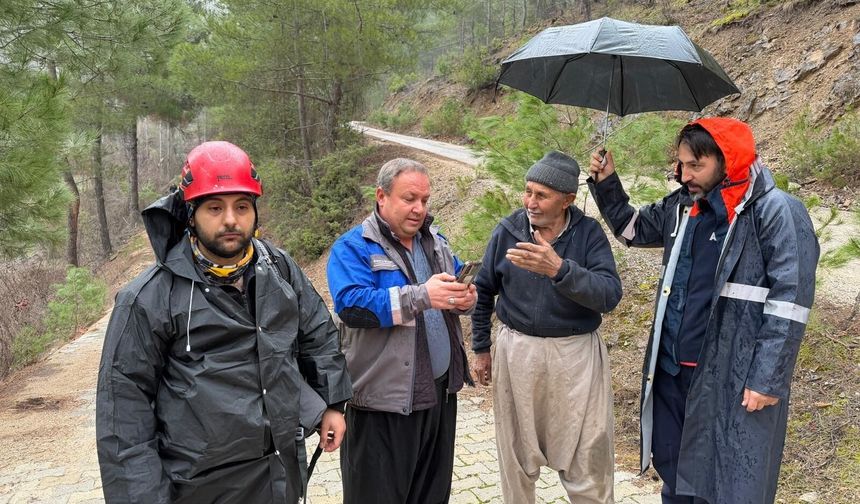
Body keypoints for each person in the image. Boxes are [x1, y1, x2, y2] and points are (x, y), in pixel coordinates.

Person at [96, 141, 352, 503]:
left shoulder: (277, 269)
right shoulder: (149, 298)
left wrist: (331, 403)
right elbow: (123, 417)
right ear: (191, 213)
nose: (231, 219)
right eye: (215, 207)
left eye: (242, 206)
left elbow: (318, 335)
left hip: (280, 472)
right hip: (200, 486)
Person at [587, 118, 819, 504]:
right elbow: (632, 229)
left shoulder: (775, 211)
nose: (685, 174)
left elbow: (790, 302)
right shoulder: (682, 207)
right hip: (674, 371)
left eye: (697, 165)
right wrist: (607, 182)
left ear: (727, 161)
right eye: (681, 164)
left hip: (731, 376)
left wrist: (768, 377)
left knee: (729, 480)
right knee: (677, 475)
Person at [470, 151, 623, 504]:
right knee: (516, 457)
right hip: (517, 352)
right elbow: (483, 290)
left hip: (576, 358)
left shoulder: (588, 235)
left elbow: (609, 294)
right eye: (527, 191)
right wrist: (481, 350)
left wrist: (559, 269)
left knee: (589, 455)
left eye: (542, 195)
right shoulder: (508, 230)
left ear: (567, 200)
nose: (530, 202)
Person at [326, 158, 476, 504]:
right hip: (383, 405)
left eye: (424, 200)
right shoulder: (353, 247)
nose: (419, 208)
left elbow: (453, 288)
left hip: (437, 396)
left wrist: (465, 297)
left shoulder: (436, 242)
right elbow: (352, 306)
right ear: (382, 196)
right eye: (409, 199)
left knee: (431, 496)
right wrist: (422, 296)